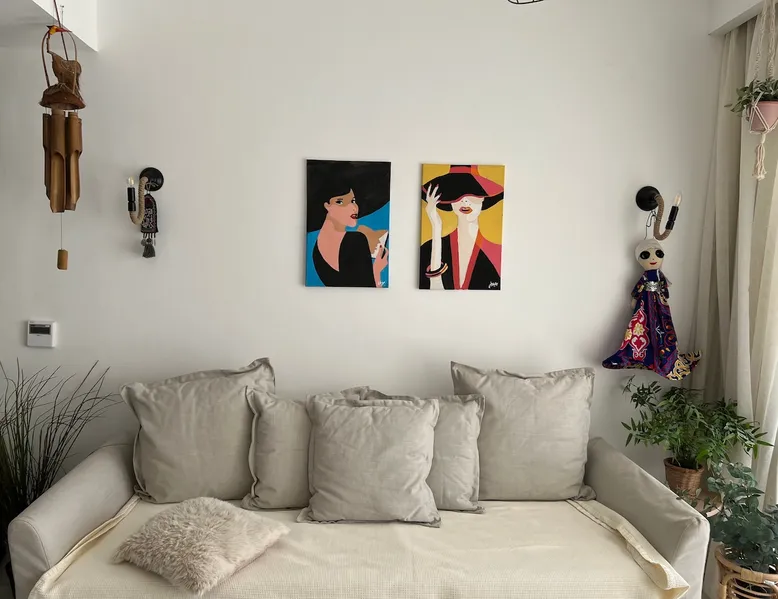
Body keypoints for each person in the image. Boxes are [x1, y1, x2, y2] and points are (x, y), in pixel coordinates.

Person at [602, 238, 700, 380]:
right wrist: (635, 299)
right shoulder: (646, 276)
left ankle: (665, 357)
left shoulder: (659, 275)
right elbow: (639, 287)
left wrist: (664, 294)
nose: (653, 258)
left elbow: (664, 286)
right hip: (646, 300)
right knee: (642, 325)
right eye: (646, 255)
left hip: (659, 302)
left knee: (663, 325)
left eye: (658, 254)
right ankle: (641, 355)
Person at [419, 165, 503, 290]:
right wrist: (436, 227)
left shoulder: (495, 253)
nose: (464, 201)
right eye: (456, 193)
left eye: (473, 193)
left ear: (483, 199)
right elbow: (432, 290)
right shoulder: (427, 249)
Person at [307, 161, 389, 288]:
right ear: (327, 206)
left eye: (353, 200)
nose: (353, 207)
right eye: (340, 202)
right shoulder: (356, 240)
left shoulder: (316, 251)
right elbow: (369, 289)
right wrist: (377, 270)